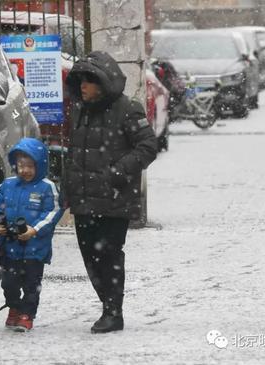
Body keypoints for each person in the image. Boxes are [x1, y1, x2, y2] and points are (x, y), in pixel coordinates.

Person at [64, 51, 158, 334]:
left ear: (104, 83)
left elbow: (148, 146)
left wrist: (117, 172)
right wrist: (68, 188)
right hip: (83, 200)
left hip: (113, 200)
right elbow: (75, 153)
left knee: (110, 255)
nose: (83, 86)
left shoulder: (127, 109)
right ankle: (107, 304)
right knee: (89, 255)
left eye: (90, 81)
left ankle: (113, 311)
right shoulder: (79, 110)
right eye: (80, 80)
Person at [0, 138, 64, 332]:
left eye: (30, 166)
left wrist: (35, 230)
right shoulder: (8, 184)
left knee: (32, 285)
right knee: (8, 284)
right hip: (10, 247)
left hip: (35, 249)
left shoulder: (47, 187)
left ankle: (27, 315)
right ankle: (14, 307)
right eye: (21, 166)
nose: (25, 170)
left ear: (40, 165)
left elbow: (53, 212)